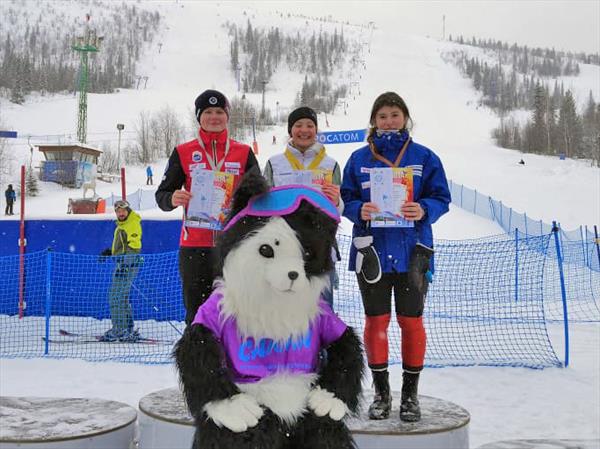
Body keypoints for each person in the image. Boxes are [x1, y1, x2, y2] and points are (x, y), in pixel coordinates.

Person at [341, 92, 451, 422]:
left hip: (412, 252)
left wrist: (425, 209)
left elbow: (442, 197)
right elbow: (345, 198)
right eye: (383, 115)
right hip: (372, 251)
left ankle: (410, 397)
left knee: (411, 322)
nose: (389, 120)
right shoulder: (359, 158)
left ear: (405, 117)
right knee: (376, 322)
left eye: (394, 114)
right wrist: (359, 208)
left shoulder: (424, 157)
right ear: (373, 120)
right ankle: (381, 394)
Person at [156, 89, 259, 325]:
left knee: (236, 314)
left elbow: (259, 197)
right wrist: (173, 198)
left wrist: (244, 202)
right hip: (195, 247)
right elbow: (162, 196)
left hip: (234, 247)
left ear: (227, 116)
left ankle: (232, 361)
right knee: (197, 314)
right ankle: (199, 361)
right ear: (199, 117)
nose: (215, 117)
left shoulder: (243, 152)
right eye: (208, 112)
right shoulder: (183, 152)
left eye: (220, 111)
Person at [263, 106, 343, 308]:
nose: (304, 130)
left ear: (316, 130)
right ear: (291, 130)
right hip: (283, 249)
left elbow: (338, 211)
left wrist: (336, 202)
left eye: (310, 125)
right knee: (283, 312)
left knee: (321, 312)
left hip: (320, 248)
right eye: (298, 125)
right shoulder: (275, 163)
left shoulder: (330, 165)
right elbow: (264, 206)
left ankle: (323, 341)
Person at [99, 199, 143, 342]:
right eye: (118, 211)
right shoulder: (122, 225)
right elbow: (123, 246)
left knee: (115, 297)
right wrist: (111, 252)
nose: (121, 213)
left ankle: (119, 330)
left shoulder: (132, 224)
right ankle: (127, 328)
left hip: (126, 266)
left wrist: (125, 265)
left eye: (123, 210)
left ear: (128, 210)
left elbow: (134, 247)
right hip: (123, 264)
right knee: (122, 297)